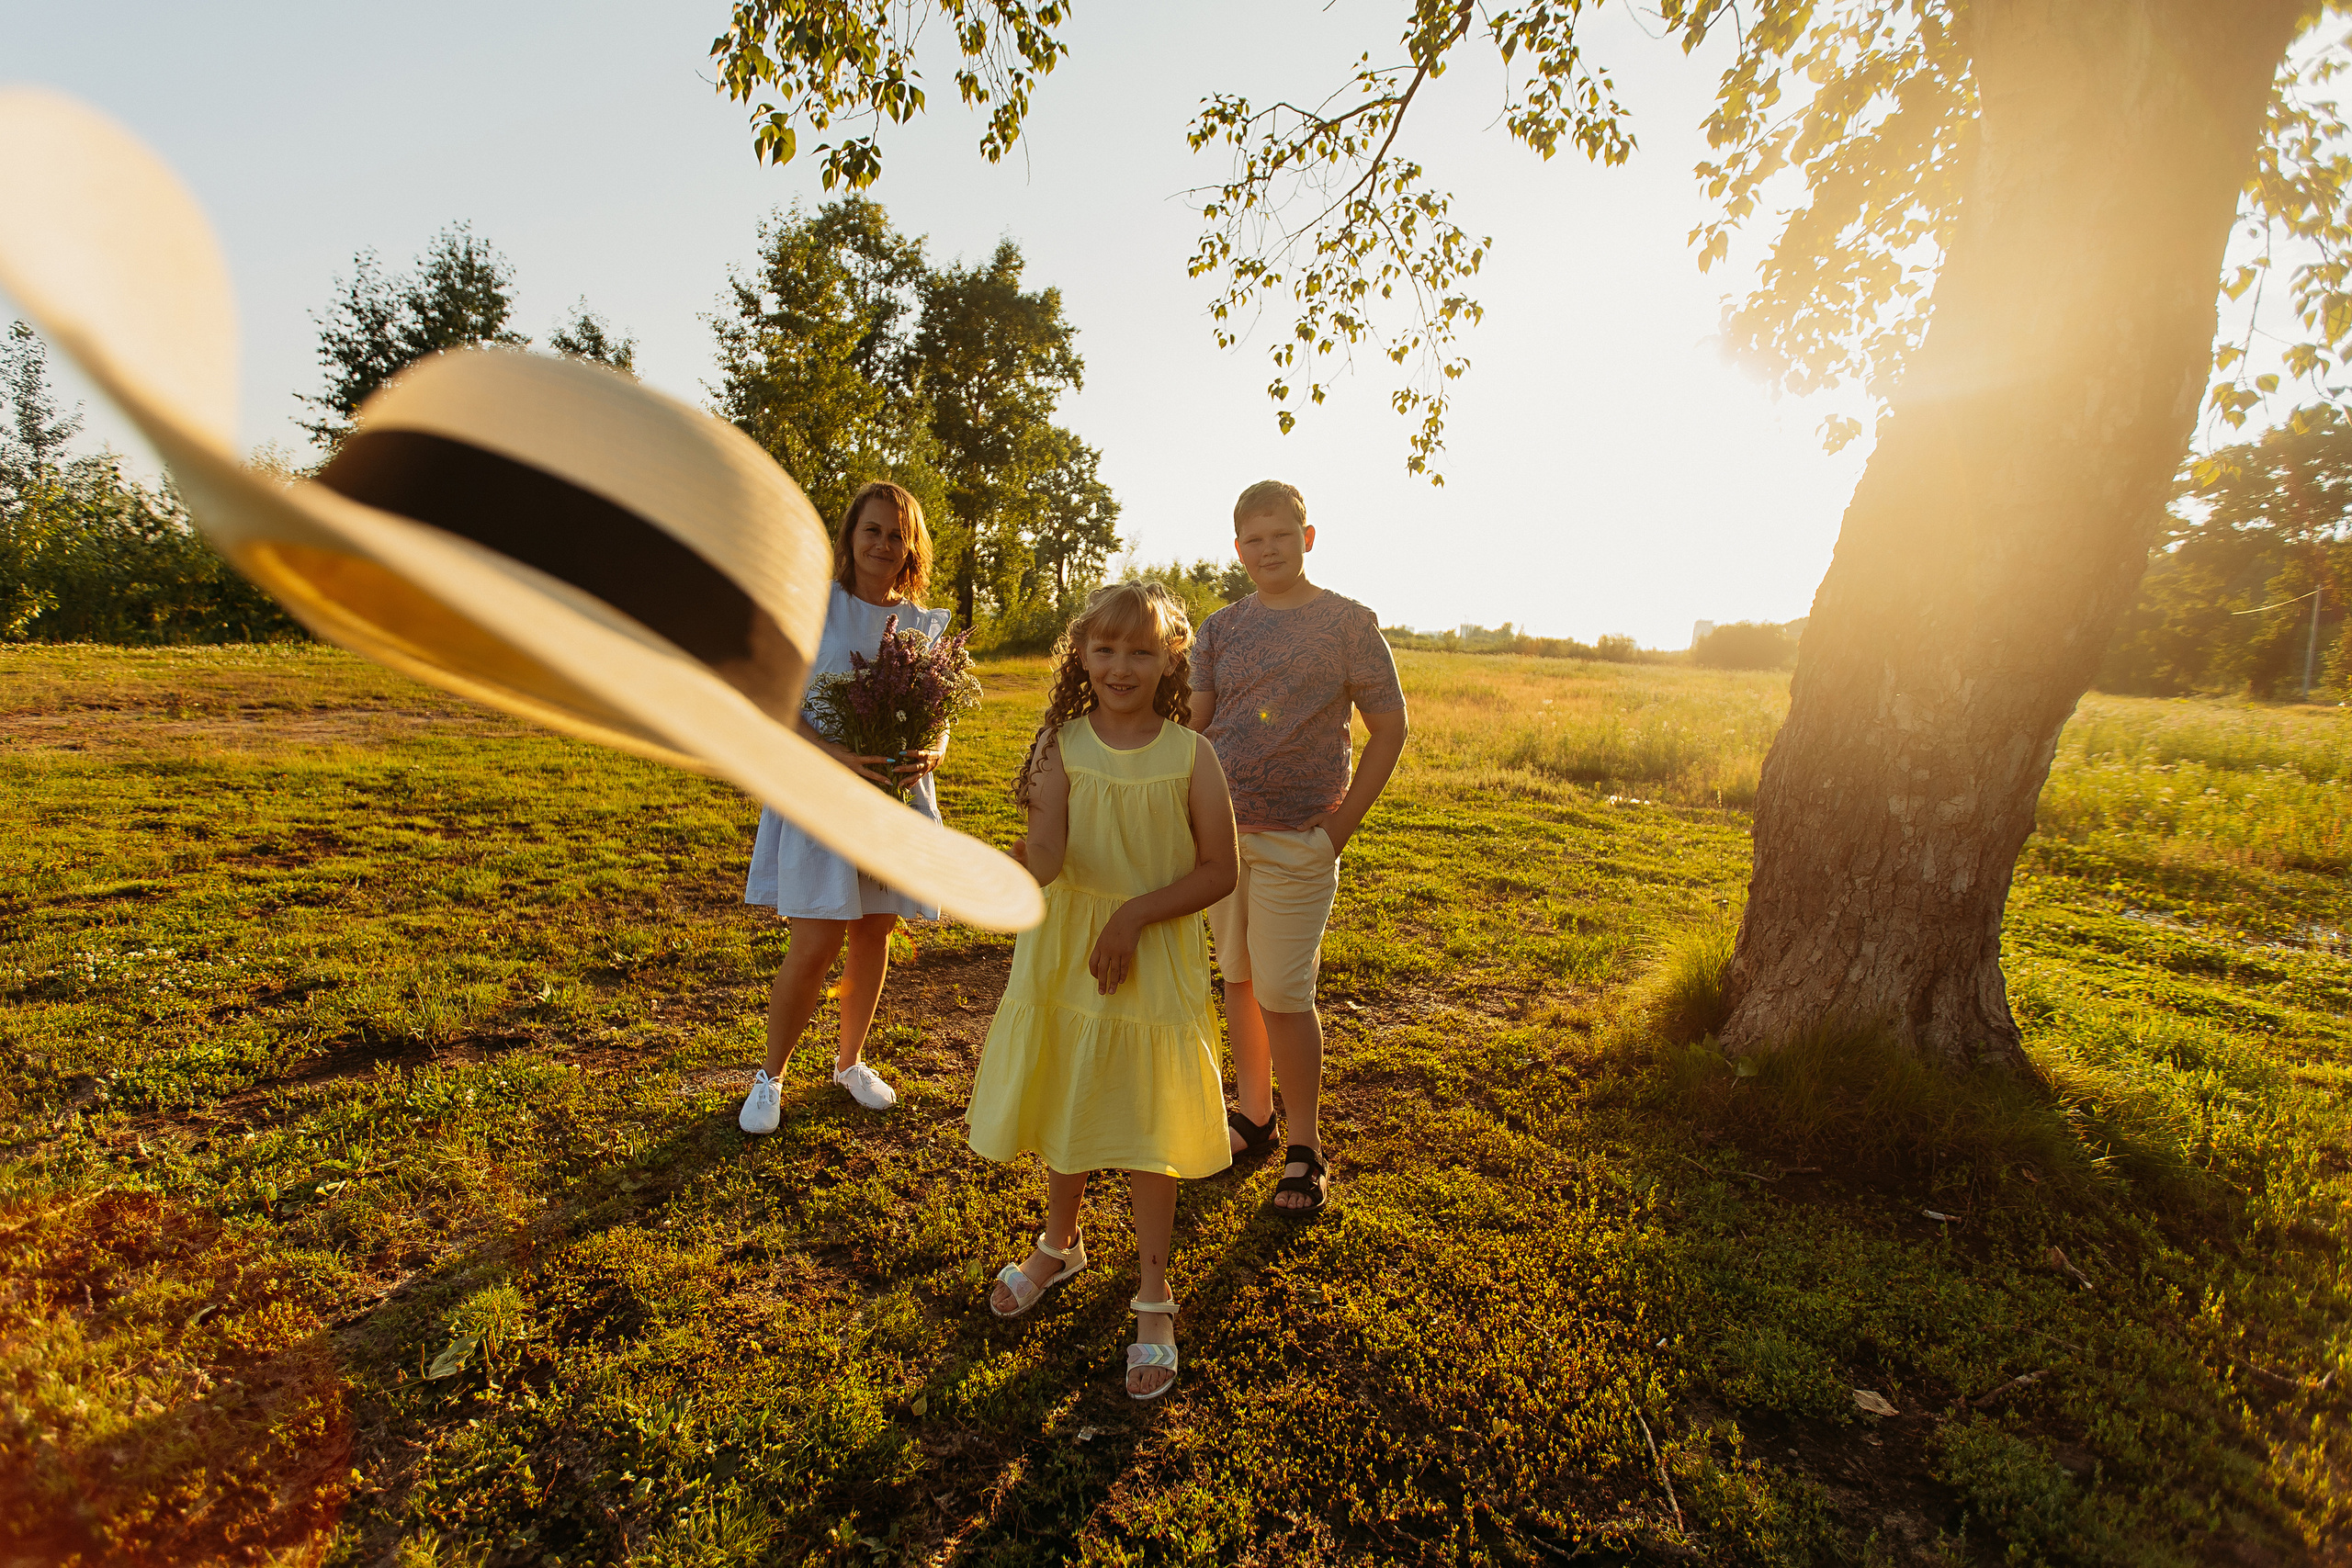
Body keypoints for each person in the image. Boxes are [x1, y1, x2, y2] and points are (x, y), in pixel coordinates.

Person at [965, 582, 1239, 1400]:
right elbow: (1046, 854)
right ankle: (1059, 1244)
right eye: (1107, 649)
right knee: (1073, 1091)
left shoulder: (1194, 755)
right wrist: (1002, 869)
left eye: (1143, 651)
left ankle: (1153, 1294)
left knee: (1147, 1118)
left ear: (1171, 661)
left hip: (1151, 955)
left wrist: (1131, 917)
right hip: (1067, 954)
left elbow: (1219, 869)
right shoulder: (1060, 743)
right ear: (1082, 654)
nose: (1123, 666)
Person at [1190, 479, 1408, 1219]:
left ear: (1306, 537)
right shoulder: (1219, 628)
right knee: (1241, 979)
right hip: (1222, 839)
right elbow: (1196, 728)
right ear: (1238, 547)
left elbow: (1390, 730)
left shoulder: (1348, 623)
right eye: (1251, 540)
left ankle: (1306, 1146)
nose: (1266, 550)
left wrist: (1335, 831)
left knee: (1285, 988)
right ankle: (1253, 1116)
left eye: (1279, 535)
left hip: (1299, 842)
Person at [738, 480, 951, 1132]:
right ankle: (769, 1077)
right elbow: (774, 697)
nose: (885, 543)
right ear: (850, 539)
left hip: (893, 794)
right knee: (817, 936)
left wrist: (935, 751)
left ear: (911, 544)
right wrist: (832, 753)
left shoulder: (926, 623)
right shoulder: (814, 608)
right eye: (872, 530)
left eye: (897, 532)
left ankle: (849, 1061)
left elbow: (942, 713)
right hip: (823, 791)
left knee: (875, 928)